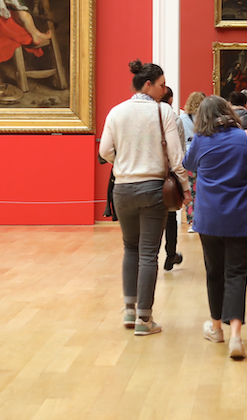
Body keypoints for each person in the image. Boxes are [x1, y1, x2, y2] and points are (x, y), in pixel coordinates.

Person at [98, 60, 190, 337]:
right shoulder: (164, 112)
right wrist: (185, 188)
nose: (164, 90)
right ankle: (144, 319)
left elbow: (105, 151)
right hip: (153, 188)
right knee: (149, 253)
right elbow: (176, 157)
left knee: (130, 248)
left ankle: (128, 310)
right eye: (161, 85)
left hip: (123, 189)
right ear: (148, 84)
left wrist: (125, 162)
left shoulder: (116, 111)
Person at [183, 95, 247, 360]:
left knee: (214, 272)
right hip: (241, 218)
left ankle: (215, 328)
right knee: (236, 273)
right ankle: (236, 334)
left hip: (209, 218)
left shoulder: (201, 140)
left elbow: (188, 165)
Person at [160, 86, 184, 272]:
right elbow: (179, 150)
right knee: (170, 216)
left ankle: (151, 256)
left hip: (150, 172)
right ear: (171, 100)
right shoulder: (175, 119)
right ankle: (170, 254)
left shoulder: (147, 116)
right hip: (169, 173)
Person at [180, 91, 206, 231]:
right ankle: (205, 219)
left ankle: (192, 222)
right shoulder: (207, 118)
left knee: (190, 190)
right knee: (205, 189)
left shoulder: (183, 118)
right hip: (204, 158)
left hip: (189, 158)